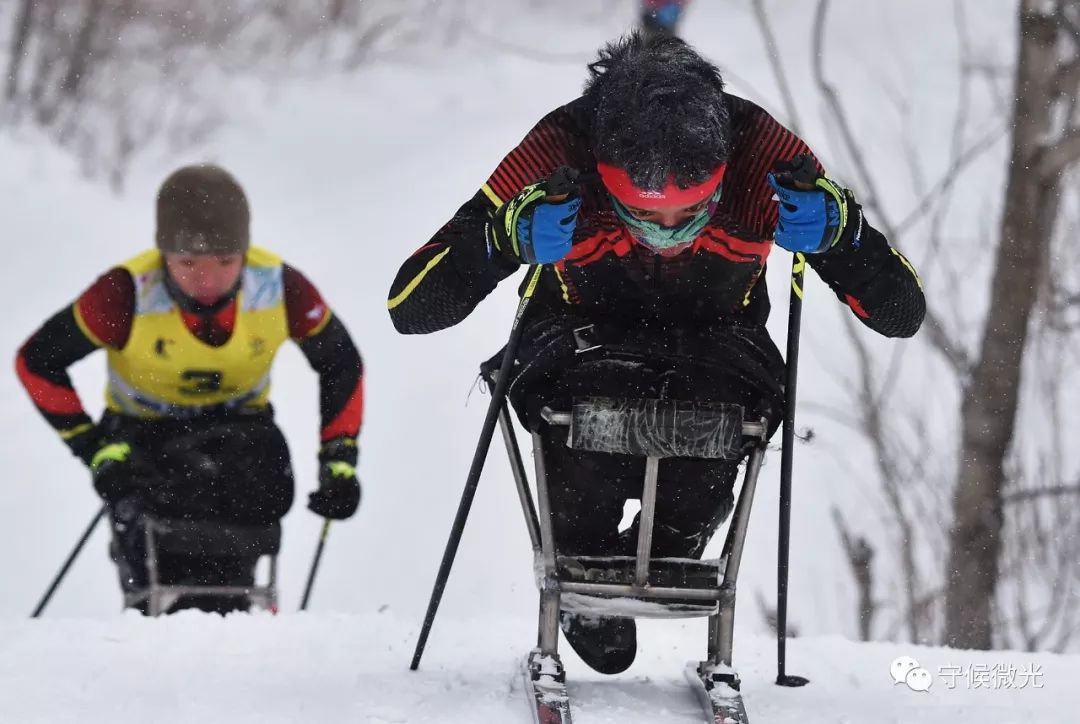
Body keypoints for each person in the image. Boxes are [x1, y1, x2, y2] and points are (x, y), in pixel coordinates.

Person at [387, 34, 924, 673]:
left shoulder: (767, 155)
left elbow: (902, 313)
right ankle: (582, 582)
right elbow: (411, 307)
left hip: (718, 355)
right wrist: (502, 240)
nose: (668, 235)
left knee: (694, 485)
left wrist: (842, 233)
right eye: (644, 218)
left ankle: (677, 541)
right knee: (584, 479)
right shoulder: (558, 151)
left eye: (693, 211)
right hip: (583, 347)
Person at [17, 164, 365, 615]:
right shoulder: (125, 292)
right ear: (163, 256)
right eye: (187, 264)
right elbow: (38, 361)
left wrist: (339, 460)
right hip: (143, 434)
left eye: (225, 262)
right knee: (154, 525)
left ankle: (238, 610)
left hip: (239, 433)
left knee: (263, 488)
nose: (207, 281)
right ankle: (153, 607)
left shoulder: (279, 286)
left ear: (245, 252)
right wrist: (94, 449)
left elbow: (340, 363)